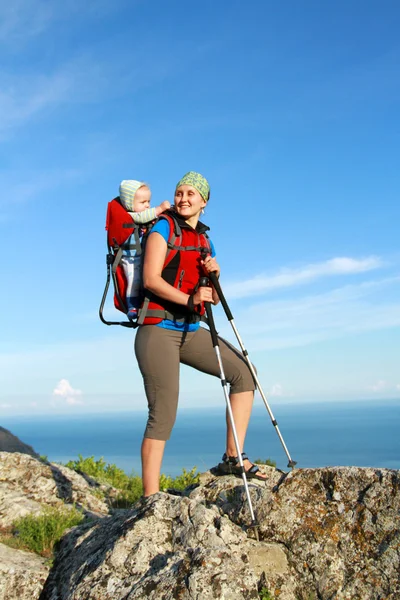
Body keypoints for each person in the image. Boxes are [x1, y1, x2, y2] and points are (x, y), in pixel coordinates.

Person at [134, 171, 266, 497]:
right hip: (157, 330)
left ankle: (233, 458)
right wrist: (190, 300)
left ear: (204, 202)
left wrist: (215, 277)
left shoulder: (206, 240)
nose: (183, 198)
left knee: (245, 374)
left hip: (190, 330)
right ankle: (150, 499)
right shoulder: (161, 228)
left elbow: (212, 297)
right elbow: (150, 279)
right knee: (163, 413)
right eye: (180, 192)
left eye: (191, 194)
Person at [118, 180, 170, 319]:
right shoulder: (131, 216)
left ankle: (143, 302)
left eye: (148, 201)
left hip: (140, 255)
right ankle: (132, 306)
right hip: (130, 258)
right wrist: (159, 209)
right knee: (134, 280)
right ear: (129, 205)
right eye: (143, 202)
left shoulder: (143, 217)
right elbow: (142, 216)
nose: (147, 205)